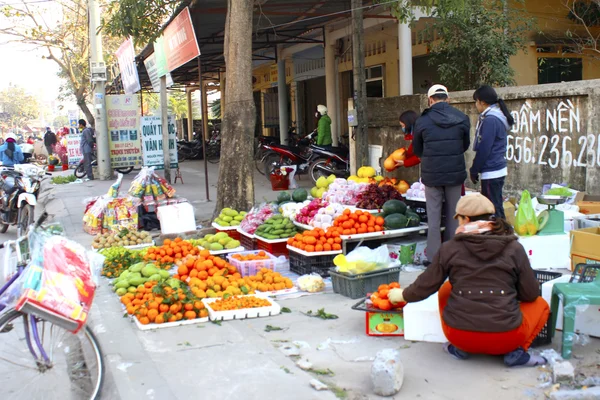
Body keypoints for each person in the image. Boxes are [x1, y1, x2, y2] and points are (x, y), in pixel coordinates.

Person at [388, 193, 549, 367]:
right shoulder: (514, 248)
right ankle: (516, 353)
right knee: (541, 304)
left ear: (465, 219)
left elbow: (426, 286)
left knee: (445, 289)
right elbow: (530, 294)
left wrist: (403, 295)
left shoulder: (449, 248)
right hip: (507, 337)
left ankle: (460, 350)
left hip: (458, 336)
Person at [413, 84, 470, 263]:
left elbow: (417, 149)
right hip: (454, 174)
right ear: (448, 98)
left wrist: (429, 158)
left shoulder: (422, 121)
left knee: (434, 218)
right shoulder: (462, 118)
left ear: (430, 100)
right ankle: (453, 257)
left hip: (432, 175)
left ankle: (434, 260)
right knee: (454, 216)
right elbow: (465, 145)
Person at [470, 85, 515, 219]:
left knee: (492, 209)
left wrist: (474, 169)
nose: (475, 105)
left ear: (482, 102)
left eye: (476, 102)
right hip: (495, 169)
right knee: (496, 206)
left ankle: (501, 235)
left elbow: (485, 148)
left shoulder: (490, 119)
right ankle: (502, 234)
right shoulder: (494, 117)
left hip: (492, 170)